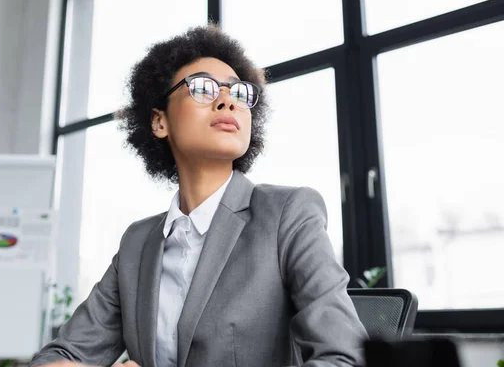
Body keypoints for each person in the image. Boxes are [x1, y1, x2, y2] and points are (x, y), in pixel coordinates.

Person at [29, 25, 368, 367]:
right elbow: (56, 357)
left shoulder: (287, 215)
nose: (227, 101)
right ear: (159, 122)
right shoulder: (137, 243)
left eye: (240, 92)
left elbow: (345, 357)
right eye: (203, 89)